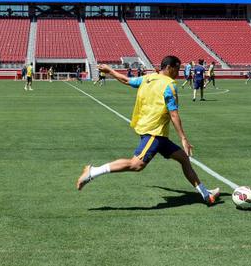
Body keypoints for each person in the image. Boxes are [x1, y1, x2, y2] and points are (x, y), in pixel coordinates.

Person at [75, 56, 221, 205]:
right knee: (136, 164)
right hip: (154, 132)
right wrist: (183, 138)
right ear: (169, 67)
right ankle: (92, 172)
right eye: (177, 69)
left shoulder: (148, 78)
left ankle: (205, 194)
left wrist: (110, 70)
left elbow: (127, 80)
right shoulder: (169, 85)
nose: (179, 72)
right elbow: (174, 114)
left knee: (183, 158)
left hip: (155, 132)